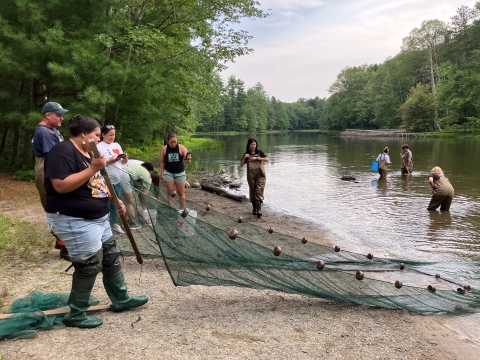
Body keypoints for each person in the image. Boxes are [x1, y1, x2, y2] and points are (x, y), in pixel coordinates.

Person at [44, 114, 148, 328]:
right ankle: (76, 313)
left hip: (98, 218)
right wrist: (93, 167)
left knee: (110, 256)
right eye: (96, 135)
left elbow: (98, 183)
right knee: (89, 264)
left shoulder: (89, 153)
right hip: (73, 219)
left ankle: (121, 299)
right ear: (83, 135)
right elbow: (61, 186)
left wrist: (114, 198)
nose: (99, 139)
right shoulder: (62, 152)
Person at [32, 101, 69, 259]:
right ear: (48, 115)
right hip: (47, 169)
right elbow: (53, 156)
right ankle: (65, 247)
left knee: (60, 205)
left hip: (51, 168)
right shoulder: (44, 132)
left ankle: (61, 241)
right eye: (58, 115)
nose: (61, 118)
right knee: (56, 206)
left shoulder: (51, 130)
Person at [97, 125, 138, 232]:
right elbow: (97, 164)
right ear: (103, 135)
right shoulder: (99, 146)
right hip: (106, 178)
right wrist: (110, 160)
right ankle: (111, 223)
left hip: (118, 178)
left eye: (114, 135)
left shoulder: (116, 145)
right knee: (109, 200)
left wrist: (125, 157)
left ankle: (113, 222)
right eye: (110, 135)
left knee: (117, 200)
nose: (112, 137)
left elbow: (123, 163)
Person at [160, 133, 192, 209]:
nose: (173, 144)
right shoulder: (164, 149)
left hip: (180, 173)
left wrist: (188, 158)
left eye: (175, 142)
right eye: (171, 142)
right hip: (168, 173)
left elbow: (188, 162)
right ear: (168, 141)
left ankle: (182, 210)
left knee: (181, 193)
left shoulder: (181, 148)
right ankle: (171, 210)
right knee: (170, 192)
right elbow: (162, 162)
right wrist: (162, 173)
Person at [240, 138, 269, 217]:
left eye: (254, 144)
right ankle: (254, 209)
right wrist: (244, 158)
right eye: (252, 144)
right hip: (251, 176)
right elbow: (241, 165)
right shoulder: (247, 154)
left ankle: (259, 210)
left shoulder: (259, 152)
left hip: (260, 175)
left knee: (259, 190)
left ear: (256, 145)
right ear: (249, 145)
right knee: (252, 191)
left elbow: (267, 159)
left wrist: (257, 158)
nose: (253, 146)